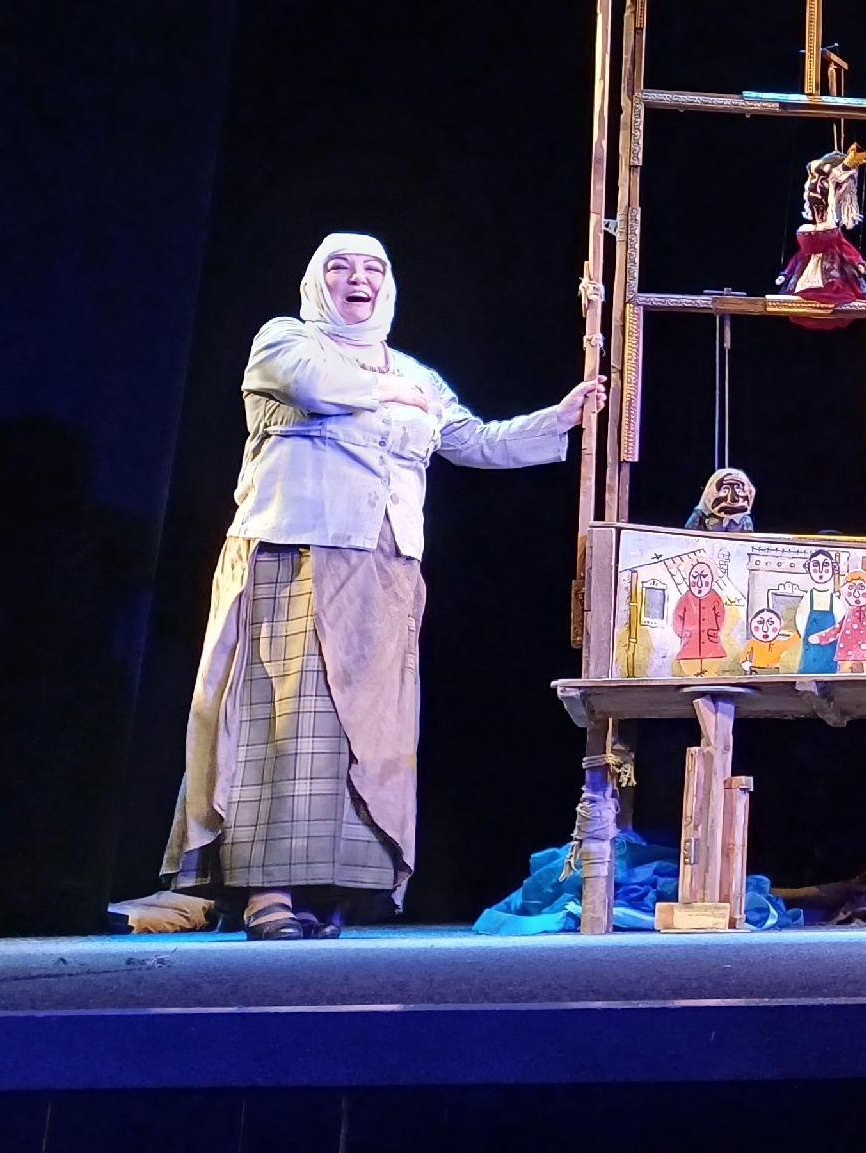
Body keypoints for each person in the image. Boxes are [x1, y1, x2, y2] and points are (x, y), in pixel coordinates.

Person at [162, 233, 604, 940]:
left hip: (387, 570)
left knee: (365, 739)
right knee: (287, 724)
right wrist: (386, 391)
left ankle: (325, 892)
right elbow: (314, 388)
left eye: (373, 268)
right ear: (318, 282)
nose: (357, 278)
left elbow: (472, 441)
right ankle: (267, 894)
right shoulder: (287, 342)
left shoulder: (416, 372)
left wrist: (560, 418)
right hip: (298, 551)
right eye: (340, 267)